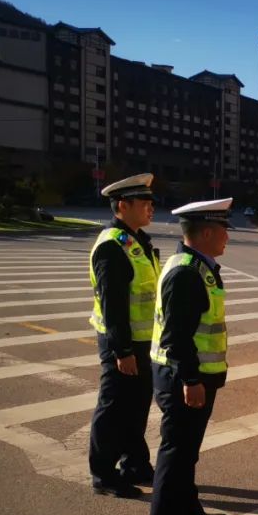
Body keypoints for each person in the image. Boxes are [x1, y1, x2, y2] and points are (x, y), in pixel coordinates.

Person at [149, 198, 233, 515]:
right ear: (208, 232)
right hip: (183, 378)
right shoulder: (186, 272)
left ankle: (188, 511)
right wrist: (190, 380)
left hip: (193, 376)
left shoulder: (196, 265)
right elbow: (176, 336)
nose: (228, 237)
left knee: (187, 452)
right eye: (225, 230)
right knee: (177, 451)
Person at [88, 173, 160, 498]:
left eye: (150, 201)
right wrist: (122, 350)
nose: (150, 207)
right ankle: (103, 473)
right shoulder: (111, 247)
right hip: (123, 343)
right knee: (114, 406)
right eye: (143, 202)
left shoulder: (136, 240)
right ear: (122, 205)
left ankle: (135, 464)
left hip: (144, 342)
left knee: (137, 405)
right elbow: (113, 304)